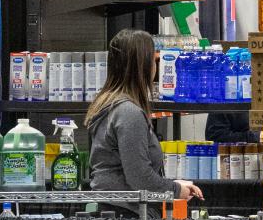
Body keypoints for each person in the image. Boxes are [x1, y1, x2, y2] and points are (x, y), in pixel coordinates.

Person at [86, 29, 203, 203]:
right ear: (144, 66)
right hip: (127, 216)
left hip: (113, 210)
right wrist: (176, 190)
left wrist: (171, 184)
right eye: (154, 60)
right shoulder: (128, 113)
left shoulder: (108, 105)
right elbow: (140, 178)